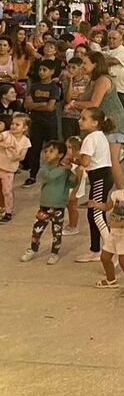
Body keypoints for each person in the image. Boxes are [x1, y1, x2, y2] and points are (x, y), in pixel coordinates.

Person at [20, 140, 76, 264]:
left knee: (57, 232)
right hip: (44, 206)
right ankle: (33, 249)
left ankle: (54, 253)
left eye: (51, 151)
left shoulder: (65, 170)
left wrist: (74, 172)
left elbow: (72, 183)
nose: (47, 154)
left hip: (59, 207)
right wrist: (64, 169)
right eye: (45, 151)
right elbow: (49, 177)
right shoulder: (45, 168)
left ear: (60, 154)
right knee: (37, 230)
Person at [92, 166, 124, 298]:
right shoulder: (117, 194)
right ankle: (111, 280)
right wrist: (96, 205)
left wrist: (118, 224)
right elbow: (107, 206)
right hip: (114, 233)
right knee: (104, 257)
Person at [73, 108, 115, 263]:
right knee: (93, 214)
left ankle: (111, 250)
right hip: (102, 176)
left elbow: (85, 162)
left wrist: (75, 157)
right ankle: (95, 250)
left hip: (99, 177)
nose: (79, 120)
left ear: (95, 122)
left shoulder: (90, 138)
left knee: (97, 214)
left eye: (83, 118)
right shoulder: (100, 136)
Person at [23, 59, 61, 187]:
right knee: (34, 149)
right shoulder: (34, 86)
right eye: (40, 69)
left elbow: (50, 107)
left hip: (50, 122)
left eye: (44, 70)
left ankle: (52, 173)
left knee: (52, 148)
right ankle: (32, 175)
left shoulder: (54, 87)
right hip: (36, 122)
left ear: (52, 72)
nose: (41, 72)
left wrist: (35, 105)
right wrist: (42, 104)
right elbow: (27, 104)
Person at [0, 113, 31, 222]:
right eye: (12, 124)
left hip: (9, 169)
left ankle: (8, 212)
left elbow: (22, 157)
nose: (13, 126)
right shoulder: (6, 134)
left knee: (7, 191)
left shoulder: (26, 141)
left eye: (17, 124)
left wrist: (15, 154)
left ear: (24, 128)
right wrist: (5, 145)